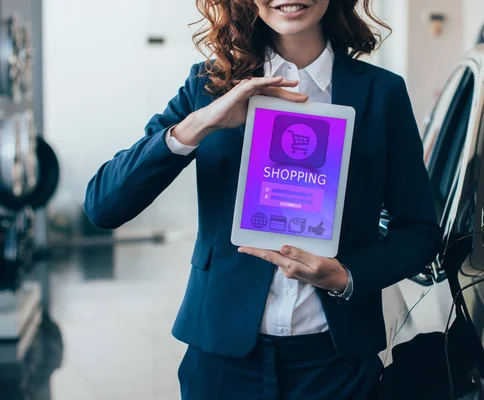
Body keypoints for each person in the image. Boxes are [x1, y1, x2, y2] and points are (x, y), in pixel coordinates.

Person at [84, 0, 441, 398]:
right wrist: (200, 124)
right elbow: (103, 205)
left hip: (336, 365)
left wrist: (347, 276)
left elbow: (420, 230)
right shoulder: (209, 86)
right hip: (222, 359)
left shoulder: (380, 92)